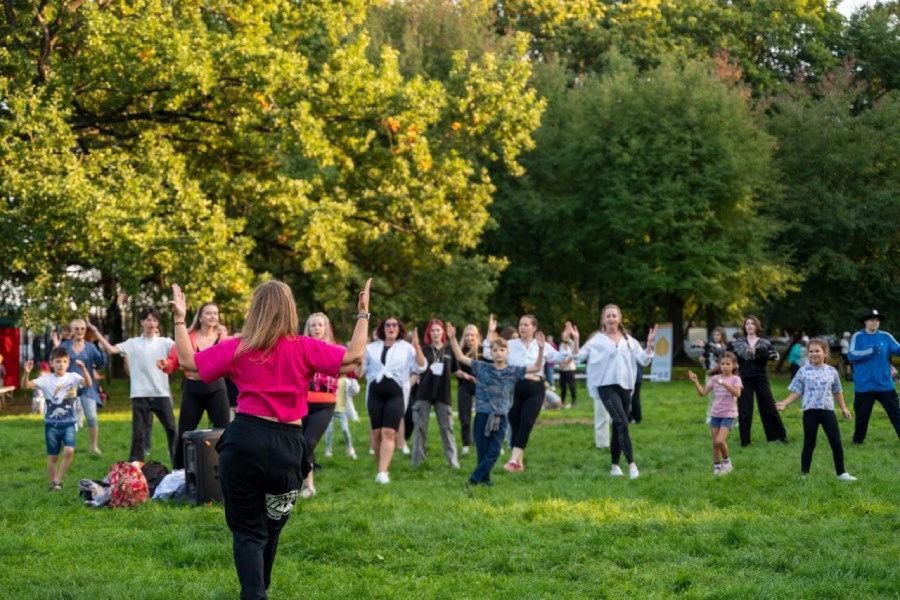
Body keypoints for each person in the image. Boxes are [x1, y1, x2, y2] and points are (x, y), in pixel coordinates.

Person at [170, 278, 371, 600]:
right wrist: (363, 315)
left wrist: (180, 319)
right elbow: (354, 357)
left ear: (256, 310)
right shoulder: (303, 346)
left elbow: (189, 365)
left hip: (244, 442)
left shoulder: (239, 346)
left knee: (249, 532)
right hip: (286, 447)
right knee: (272, 525)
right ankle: (257, 591)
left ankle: (255, 592)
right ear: (289, 309)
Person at [447, 322, 544, 488]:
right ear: (490, 353)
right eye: (495, 350)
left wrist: (541, 349)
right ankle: (486, 480)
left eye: (502, 350)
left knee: (493, 452)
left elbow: (536, 367)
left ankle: (474, 479)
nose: (498, 353)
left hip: (500, 418)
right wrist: (453, 338)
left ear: (507, 353)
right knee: (482, 452)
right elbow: (462, 358)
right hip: (482, 415)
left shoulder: (513, 370)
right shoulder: (483, 367)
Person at [571, 305, 656, 479]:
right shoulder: (597, 340)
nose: (611, 319)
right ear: (603, 319)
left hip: (625, 386)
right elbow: (579, 357)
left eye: (614, 316)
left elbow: (644, 360)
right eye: (608, 316)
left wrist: (649, 344)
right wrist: (576, 340)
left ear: (619, 318)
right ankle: (632, 465)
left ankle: (614, 466)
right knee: (623, 423)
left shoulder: (628, 341)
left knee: (618, 426)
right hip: (605, 386)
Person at [482, 314, 570, 472]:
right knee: (515, 424)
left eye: (526, 325)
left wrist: (565, 341)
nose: (522, 327)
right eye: (521, 324)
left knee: (527, 423)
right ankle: (518, 463)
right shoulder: (511, 344)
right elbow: (489, 353)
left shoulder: (541, 344)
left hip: (535, 388)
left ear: (534, 328)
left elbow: (561, 357)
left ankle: (512, 460)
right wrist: (490, 331)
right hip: (513, 387)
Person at [89, 308, 178, 464]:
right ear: (142, 322)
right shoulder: (133, 343)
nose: (151, 323)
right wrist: (95, 332)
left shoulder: (166, 342)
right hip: (140, 395)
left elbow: (181, 351)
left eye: (154, 320)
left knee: (172, 429)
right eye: (148, 320)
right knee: (138, 433)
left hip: (161, 394)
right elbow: (111, 350)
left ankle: (178, 462)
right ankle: (135, 466)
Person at [159, 302, 231, 470]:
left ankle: (224, 471)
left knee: (224, 432)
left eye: (215, 313)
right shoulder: (189, 336)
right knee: (184, 432)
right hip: (193, 389)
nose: (213, 316)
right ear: (200, 316)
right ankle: (178, 472)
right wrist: (166, 364)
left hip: (217, 389)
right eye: (209, 313)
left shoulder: (224, 339)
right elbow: (174, 360)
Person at [776, 338, 857, 480]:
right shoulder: (803, 371)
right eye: (811, 351)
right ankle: (804, 474)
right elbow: (797, 391)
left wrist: (843, 408)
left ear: (825, 352)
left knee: (836, 442)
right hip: (810, 412)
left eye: (817, 351)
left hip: (827, 411)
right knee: (809, 443)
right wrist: (785, 403)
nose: (814, 354)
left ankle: (841, 473)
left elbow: (837, 390)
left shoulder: (832, 371)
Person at [363, 316, 426, 484]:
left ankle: (383, 472)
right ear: (383, 328)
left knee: (389, 432)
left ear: (399, 329)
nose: (391, 327)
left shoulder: (406, 348)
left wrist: (417, 346)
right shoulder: (371, 348)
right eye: (388, 325)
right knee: (377, 435)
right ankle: (380, 467)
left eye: (394, 325)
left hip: (396, 393)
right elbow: (360, 369)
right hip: (375, 393)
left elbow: (421, 366)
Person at [22, 349, 92, 491]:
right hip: (51, 425)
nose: (61, 364)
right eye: (58, 362)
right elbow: (25, 385)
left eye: (64, 362)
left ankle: (58, 481)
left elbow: (88, 384)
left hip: (69, 424)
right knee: (53, 457)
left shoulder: (73, 377)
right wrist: (26, 372)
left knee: (69, 451)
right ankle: (52, 484)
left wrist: (84, 369)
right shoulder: (46, 379)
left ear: (68, 364)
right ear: (52, 363)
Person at [298, 312, 341, 499]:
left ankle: (309, 487)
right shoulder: (301, 349)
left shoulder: (335, 350)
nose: (317, 328)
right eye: (313, 325)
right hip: (302, 402)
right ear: (309, 328)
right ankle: (300, 483)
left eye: (320, 325)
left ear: (326, 328)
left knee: (308, 443)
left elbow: (353, 368)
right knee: (298, 444)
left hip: (325, 403)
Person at [728, 316, 788, 446]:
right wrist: (706, 347)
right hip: (744, 379)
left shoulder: (764, 343)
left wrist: (758, 351)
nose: (749, 326)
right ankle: (745, 442)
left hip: (761, 378)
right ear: (744, 327)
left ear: (757, 326)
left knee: (769, 407)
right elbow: (724, 354)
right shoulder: (738, 343)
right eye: (747, 324)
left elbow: (775, 356)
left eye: (752, 324)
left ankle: (778, 438)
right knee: (745, 410)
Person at [411, 318, 460, 469]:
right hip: (423, 393)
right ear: (428, 333)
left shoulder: (450, 350)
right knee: (420, 427)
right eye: (432, 330)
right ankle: (418, 462)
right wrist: (405, 388)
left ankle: (453, 462)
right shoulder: (424, 351)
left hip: (443, 394)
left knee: (447, 428)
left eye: (438, 330)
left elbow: (456, 370)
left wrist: (467, 376)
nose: (435, 333)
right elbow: (417, 372)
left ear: (443, 332)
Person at [847, 308, 900, 444]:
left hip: (885, 385)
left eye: (877, 320)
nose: (875, 323)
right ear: (865, 322)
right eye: (871, 320)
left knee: (896, 414)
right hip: (864, 386)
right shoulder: (858, 337)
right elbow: (851, 354)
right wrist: (869, 351)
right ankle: (857, 441)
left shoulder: (886, 336)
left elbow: (898, 349)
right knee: (862, 417)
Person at [688, 352, 742, 475]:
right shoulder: (715, 378)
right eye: (722, 364)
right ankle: (717, 467)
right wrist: (696, 382)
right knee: (715, 443)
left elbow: (737, 394)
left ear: (734, 365)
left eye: (728, 364)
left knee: (719, 440)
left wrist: (723, 383)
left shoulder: (735, 379)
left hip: (729, 414)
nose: (725, 366)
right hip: (716, 413)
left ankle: (727, 462)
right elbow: (702, 393)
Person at [59, 318, 106, 454]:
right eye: (77, 329)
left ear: (85, 331)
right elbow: (56, 362)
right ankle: (66, 446)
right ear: (72, 331)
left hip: (88, 386)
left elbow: (101, 362)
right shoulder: (65, 346)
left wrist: (102, 350)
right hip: (69, 387)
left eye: (82, 329)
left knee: (91, 417)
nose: (79, 331)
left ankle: (94, 447)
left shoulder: (90, 347)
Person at [454, 324, 481, 456]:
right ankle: (466, 444)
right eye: (467, 335)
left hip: (481, 386)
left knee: (483, 416)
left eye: (472, 335)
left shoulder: (482, 350)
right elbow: (454, 369)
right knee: (464, 417)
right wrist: (463, 375)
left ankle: (482, 441)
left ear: (477, 336)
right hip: (464, 385)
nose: (470, 338)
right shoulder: (459, 350)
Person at [324, 375, 359, 460]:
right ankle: (328, 450)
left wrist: (353, 381)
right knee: (329, 431)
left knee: (345, 429)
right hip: (330, 409)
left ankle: (350, 448)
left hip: (342, 410)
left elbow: (354, 391)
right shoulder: (329, 379)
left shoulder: (346, 381)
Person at [557, 333, 578, 409]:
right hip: (562, 369)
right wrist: (560, 363)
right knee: (562, 386)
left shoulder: (572, 343)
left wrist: (565, 364)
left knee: (572, 385)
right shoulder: (561, 344)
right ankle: (562, 401)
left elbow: (572, 355)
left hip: (569, 368)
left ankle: (574, 400)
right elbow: (560, 355)